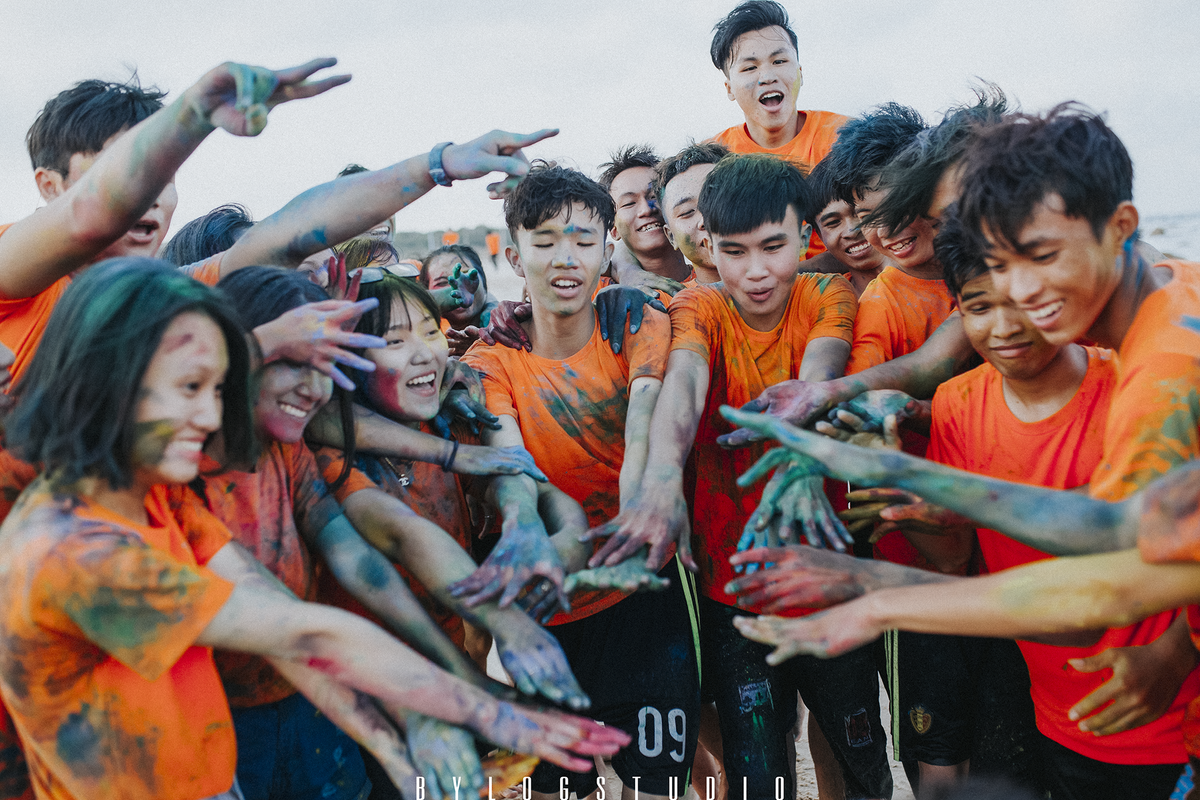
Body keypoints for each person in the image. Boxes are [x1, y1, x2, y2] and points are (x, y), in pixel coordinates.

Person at [0, 258, 628, 800]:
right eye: (190, 387)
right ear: (108, 384)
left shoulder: (154, 502)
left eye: (218, 387)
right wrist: (480, 705)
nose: (210, 411)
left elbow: (291, 622)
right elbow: (302, 631)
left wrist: (396, 741)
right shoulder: (74, 551)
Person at [722, 103, 1200, 799]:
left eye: (1041, 255)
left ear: (1120, 228)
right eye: (996, 264)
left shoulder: (1158, 381)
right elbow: (1125, 535)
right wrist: (891, 461)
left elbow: (1105, 586)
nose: (1022, 293)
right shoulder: (1177, 292)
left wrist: (876, 593)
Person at [594, 153, 890, 800]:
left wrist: (797, 433)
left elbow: (823, 364)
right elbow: (684, 381)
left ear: (805, 237)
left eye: (774, 247)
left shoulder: (825, 291)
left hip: (828, 580)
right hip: (733, 594)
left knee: (862, 752)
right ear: (707, 246)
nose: (756, 272)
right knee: (759, 772)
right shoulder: (699, 306)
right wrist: (663, 477)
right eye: (735, 251)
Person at [456, 163, 700, 800]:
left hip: (644, 596)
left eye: (583, 240)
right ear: (514, 254)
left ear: (607, 248)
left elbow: (645, 419)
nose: (565, 258)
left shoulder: (636, 324)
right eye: (543, 242)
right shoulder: (488, 361)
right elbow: (517, 473)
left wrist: (630, 525)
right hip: (549, 605)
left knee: (661, 786)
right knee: (562, 790)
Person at [708, 0, 847, 258]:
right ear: (729, 88)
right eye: (750, 67)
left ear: (800, 73)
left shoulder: (844, 137)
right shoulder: (713, 158)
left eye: (779, 61)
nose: (767, 76)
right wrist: (627, 266)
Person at [599, 146, 697, 300]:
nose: (646, 209)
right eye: (629, 203)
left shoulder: (718, 277)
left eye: (653, 196)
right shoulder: (598, 293)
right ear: (613, 229)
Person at [801, 158, 885, 297]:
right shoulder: (821, 303)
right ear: (820, 236)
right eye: (833, 222)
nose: (852, 230)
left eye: (861, 214)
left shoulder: (930, 278)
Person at [651, 142, 729, 286]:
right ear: (671, 236)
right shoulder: (663, 305)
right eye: (687, 212)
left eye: (717, 200)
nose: (705, 220)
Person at [419, 244, 499, 356]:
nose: (457, 286)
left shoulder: (508, 322)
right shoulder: (422, 340)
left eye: (466, 276)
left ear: (484, 283)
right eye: (441, 283)